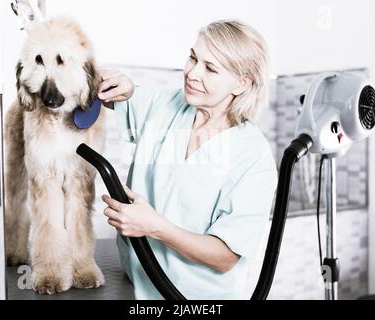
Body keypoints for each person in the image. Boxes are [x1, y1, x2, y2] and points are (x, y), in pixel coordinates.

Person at [98, 20, 278, 299]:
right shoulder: (168, 106)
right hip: (138, 286)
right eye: (193, 57)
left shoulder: (253, 156)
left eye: (210, 68)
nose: (192, 73)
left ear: (242, 83)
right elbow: (118, 95)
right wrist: (118, 84)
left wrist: (154, 227)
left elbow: (225, 256)